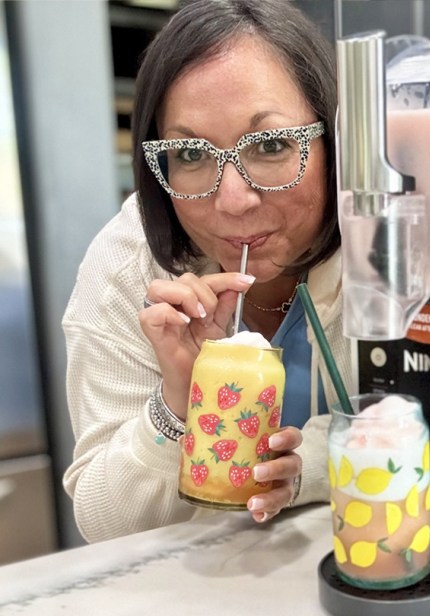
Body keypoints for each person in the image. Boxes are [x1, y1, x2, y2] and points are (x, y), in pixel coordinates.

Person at [62, 0, 352, 543]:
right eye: (192, 154)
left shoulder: (390, 250)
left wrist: (308, 469)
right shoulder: (128, 268)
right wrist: (177, 402)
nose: (233, 200)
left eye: (270, 146)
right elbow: (104, 523)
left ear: (334, 143)